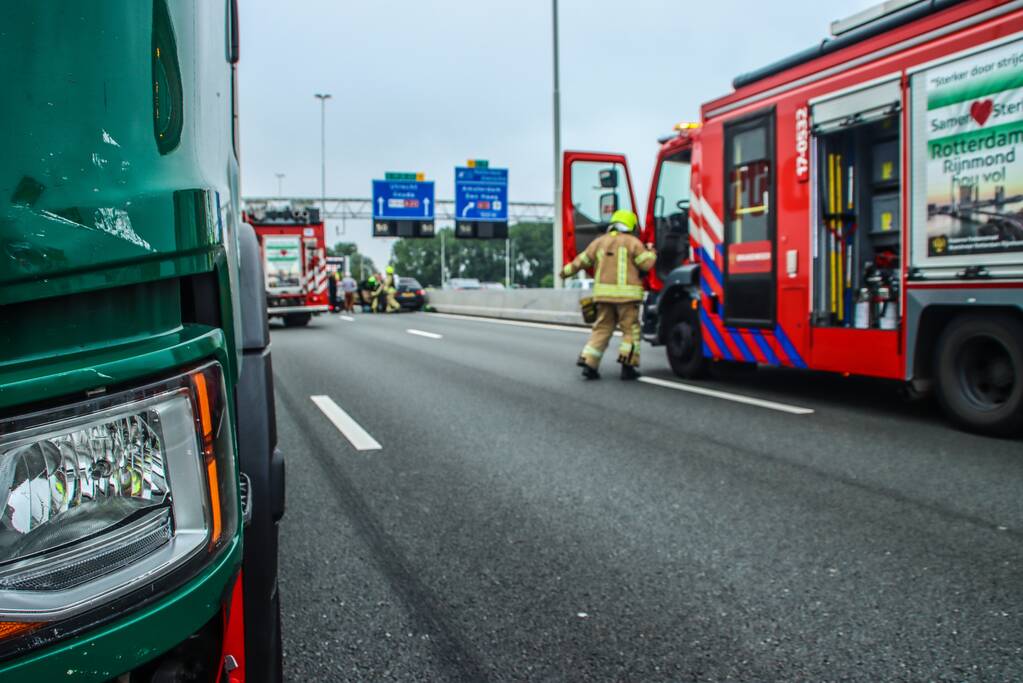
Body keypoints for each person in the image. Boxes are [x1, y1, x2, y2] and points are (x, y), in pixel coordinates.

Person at [561, 209, 655, 380]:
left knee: (602, 328)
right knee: (630, 330)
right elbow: (646, 264)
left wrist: (564, 273)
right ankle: (628, 366)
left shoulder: (599, 242)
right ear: (630, 225)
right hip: (627, 298)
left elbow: (581, 261)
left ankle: (589, 363)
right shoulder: (633, 242)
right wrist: (651, 252)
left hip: (603, 297)